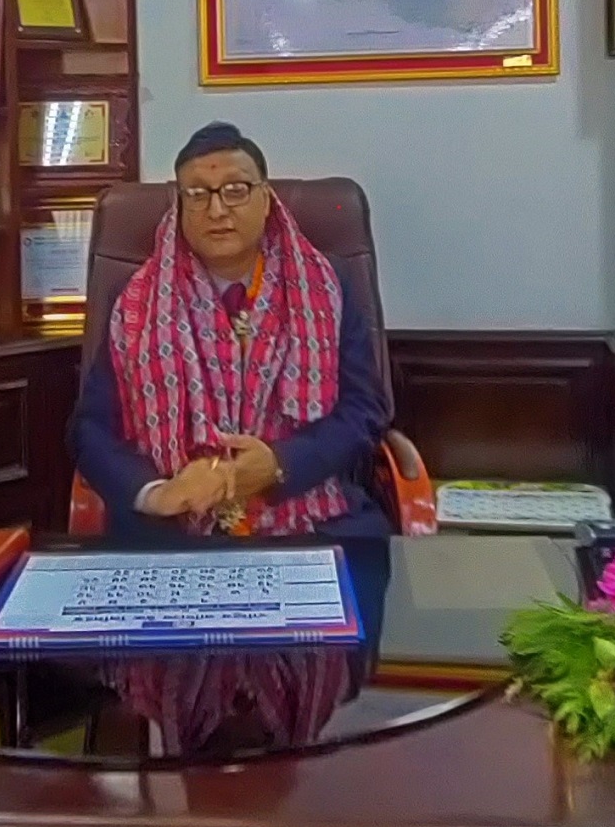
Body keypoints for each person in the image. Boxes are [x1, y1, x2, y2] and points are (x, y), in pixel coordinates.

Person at [71, 122, 391, 539]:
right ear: (180, 208)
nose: (217, 211)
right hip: (172, 530)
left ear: (266, 199)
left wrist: (280, 464)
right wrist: (156, 493)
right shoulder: (137, 301)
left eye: (236, 190)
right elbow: (91, 429)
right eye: (197, 194)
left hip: (313, 520)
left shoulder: (325, 285)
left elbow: (364, 410)